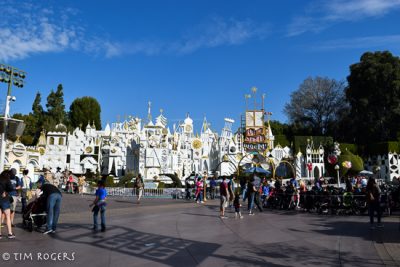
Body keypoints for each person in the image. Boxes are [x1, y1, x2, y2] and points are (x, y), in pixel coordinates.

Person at [0, 170, 15, 239]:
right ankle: (10, 233)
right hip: (4, 200)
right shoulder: (6, 180)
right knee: (8, 216)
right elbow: (11, 188)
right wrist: (5, 191)